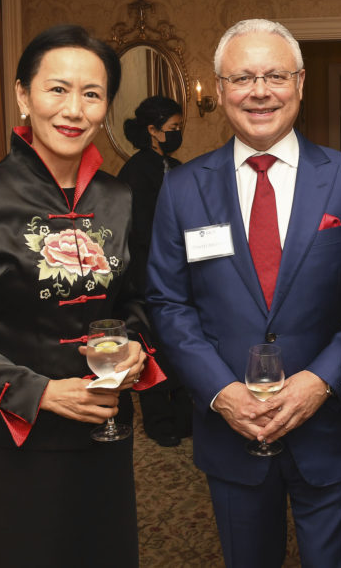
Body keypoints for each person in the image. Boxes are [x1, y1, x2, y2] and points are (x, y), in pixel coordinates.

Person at [0, 24, 164, 567]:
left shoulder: (120, 199)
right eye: (57, 89)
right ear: (23, 94)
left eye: (91, 94)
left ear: (105, 108)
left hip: (105, 430)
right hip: (15, 440)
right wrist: (42, 393)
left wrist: (136, 345)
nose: (74, 109)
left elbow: (136, 302)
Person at [147, 18, 341, 567]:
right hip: (230, 429)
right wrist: (220, 392)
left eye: (275, 75)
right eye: (242, 78)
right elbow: (167, 301)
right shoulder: (181, 187)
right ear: (221, 90)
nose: (259, 91)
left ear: (300, 84)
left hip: (327, 427)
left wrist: (320, 380)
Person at [118, 95, 193, 447]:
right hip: (147, 274)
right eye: (172, 129)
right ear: (152, 130)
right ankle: (157, 419)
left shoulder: (176, 166)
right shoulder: (135, 171)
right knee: (150, 347)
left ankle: (182, 413)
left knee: (179, 342)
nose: (177, 134)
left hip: (181, 270)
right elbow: (139, 231)